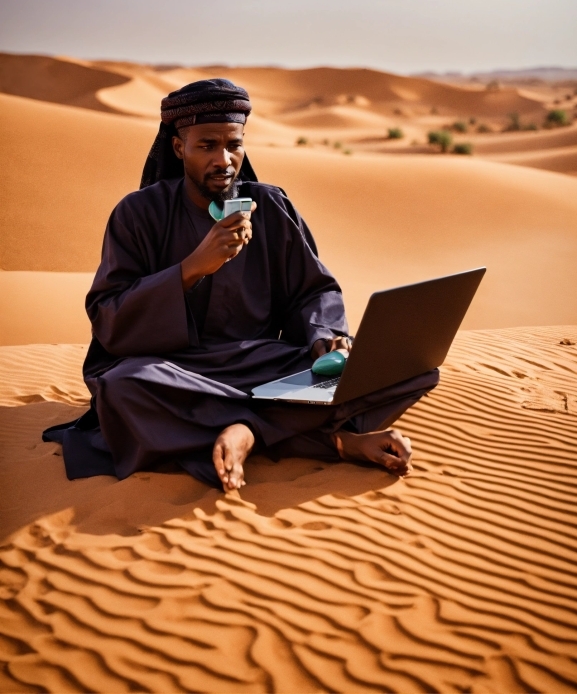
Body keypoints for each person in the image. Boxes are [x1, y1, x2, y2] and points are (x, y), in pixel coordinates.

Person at [44, 79, 438, 492]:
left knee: (408, 368)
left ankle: (243, 429)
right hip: (176, 373)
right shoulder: (137, 213)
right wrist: (193, 267)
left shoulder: (270, 205)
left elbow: (313, 290)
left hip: (262, 365)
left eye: (234, 144)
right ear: (179, 148)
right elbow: (108, 316)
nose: (224, 159)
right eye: (207, 145)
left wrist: (326, 337)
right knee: (122, 390)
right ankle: (329, 440)